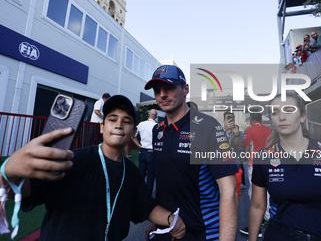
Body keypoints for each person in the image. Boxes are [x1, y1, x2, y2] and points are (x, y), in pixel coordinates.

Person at [0, 95, 185, 241]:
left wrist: (171, 219)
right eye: (112, 119)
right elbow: (22, 190)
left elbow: (146, 207)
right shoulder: (72, 160)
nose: (119, 124)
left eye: (126, 121)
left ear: (134, 132)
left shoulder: (132, 173)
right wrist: (9, 172)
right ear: (102, 127)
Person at [144, 65, 238, 241]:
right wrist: (155, 224)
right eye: (157, 90)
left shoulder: (207, 126)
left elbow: (229, 190)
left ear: (185, 89)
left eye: (169, 87)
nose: (162, 95)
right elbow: (165, 181)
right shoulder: (158, 129)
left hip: (200, 233)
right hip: (165, 229)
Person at [249, 93, 321, 240]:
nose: (282, 117)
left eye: (289, 110)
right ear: (271, 119)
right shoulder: (263, 156)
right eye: (275, 112)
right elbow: (257, 206)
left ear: (303, 116)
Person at [239, 112, 272, 238]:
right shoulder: (268, 129)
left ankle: (259, 224)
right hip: (267, 162)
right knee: (267, 192)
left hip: (253, 164)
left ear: (251, 119)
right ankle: (266, 218)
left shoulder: (250, 130)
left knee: (253, 193)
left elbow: (246, 149)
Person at [131, 109, 158, 194]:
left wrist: (139, 145)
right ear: (156, 117)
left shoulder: (141, 124)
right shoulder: (157, 126)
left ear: (148, 115)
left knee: (141, 175)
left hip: (142, 151)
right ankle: (148, 197)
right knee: (150, 177)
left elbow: (133, 135)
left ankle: (138, 193)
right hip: (152, 152)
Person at [223, 111, 244, 196]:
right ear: (224, 120)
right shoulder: (219, 131)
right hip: (223, 167)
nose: (231, 121)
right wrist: (224, 130)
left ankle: (236, 209)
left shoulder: (239, 133)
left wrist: (236, 134)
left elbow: (239, 146)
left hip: (236, 166)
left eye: (232, 119)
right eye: (228, 118)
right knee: (225, 193)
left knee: (236, 192)